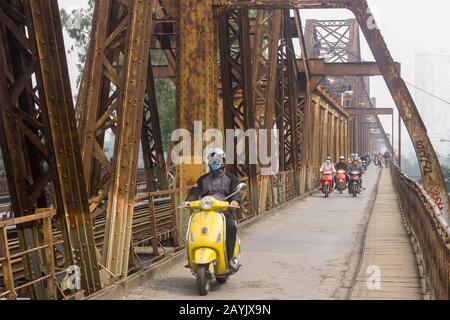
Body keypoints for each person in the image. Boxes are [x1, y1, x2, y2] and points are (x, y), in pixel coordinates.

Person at [185, 147, 241, 271]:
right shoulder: (203, 179)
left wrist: (234, 201)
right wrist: (189, 200)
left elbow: (236, 191)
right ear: (208, 162)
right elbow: (195, 191)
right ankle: (191, 257)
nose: (214, 163)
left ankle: (230, 258)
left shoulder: (231, 178)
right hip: (206, 210)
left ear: (223, 162)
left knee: (231, 226)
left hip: (223, 211)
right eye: (212, 161)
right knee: (194, 226)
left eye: (217, 161)